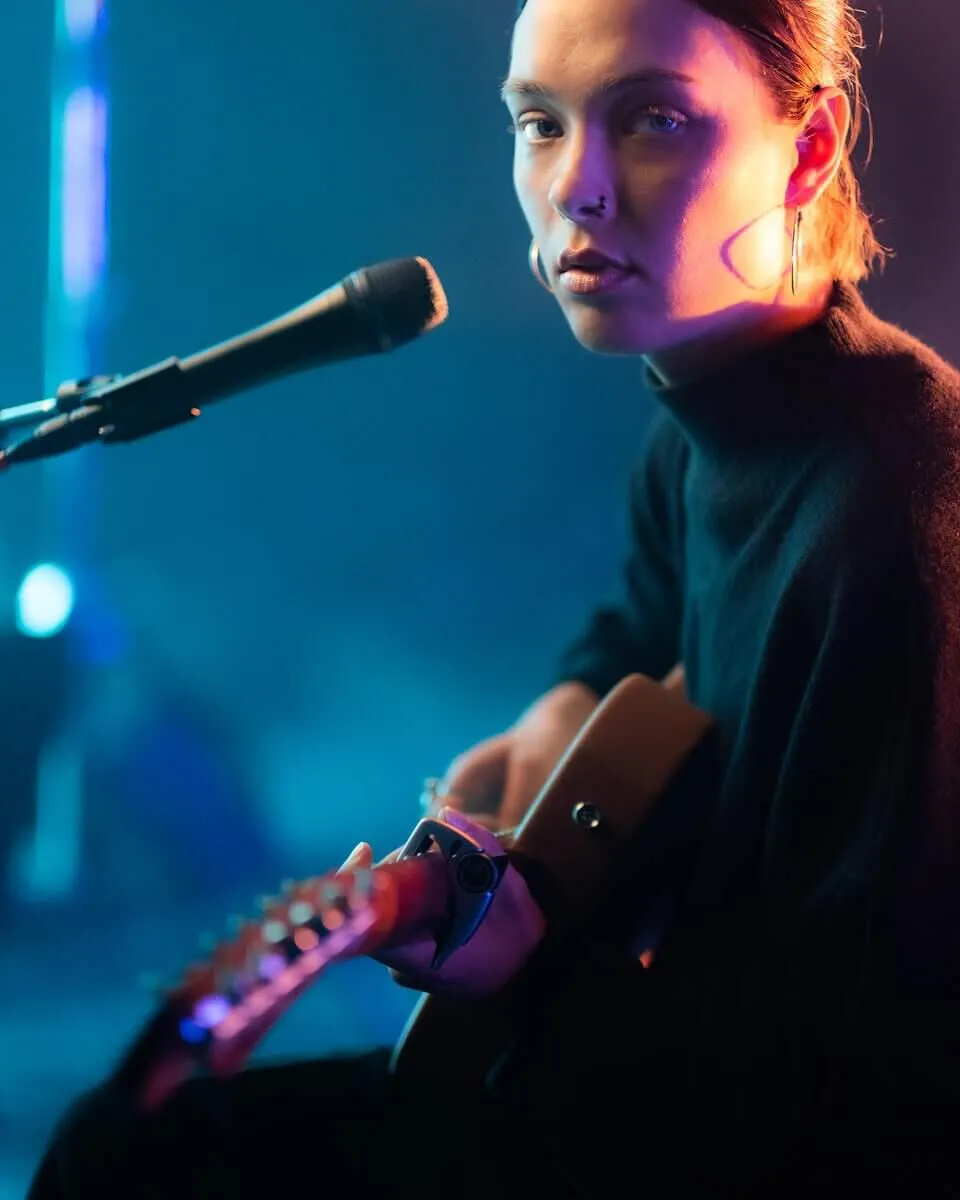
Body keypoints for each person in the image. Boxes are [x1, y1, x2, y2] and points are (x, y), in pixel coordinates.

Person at [28, 0, 960, 1194]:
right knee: (122, 1148)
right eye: (539, 124)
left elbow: (856, 1108)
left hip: (714, 1132)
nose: (575, 187)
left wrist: (527, 972)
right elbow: (638, 631)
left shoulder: (894, 522)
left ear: (812, 145)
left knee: (127, 1166)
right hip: (640, 1072)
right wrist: (551, 726)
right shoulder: (710, 425)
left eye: (655, 120)